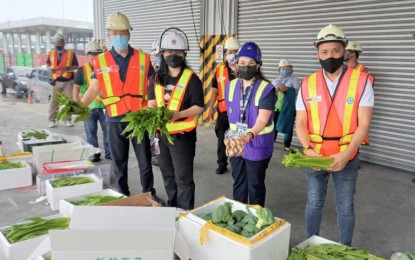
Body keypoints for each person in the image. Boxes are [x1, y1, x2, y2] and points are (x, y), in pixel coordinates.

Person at [296, 24, 374, 246]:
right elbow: (300, 122)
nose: (330, 56)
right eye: (324, 52)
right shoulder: (307, 83)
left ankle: (345, 249)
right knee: (314, 202)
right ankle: (310, 244)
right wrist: (308, 150)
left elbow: (364, 123)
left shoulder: (361, 82)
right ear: (317, 54)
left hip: (346, 156)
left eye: (336, 51)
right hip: (315, 156)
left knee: (345, 206)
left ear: (345, 52)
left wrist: (347, 154)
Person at [81, 12, 158, 200]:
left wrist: (152, 108)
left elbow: (153, 86)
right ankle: (123, 194)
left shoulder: (143, 58)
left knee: (145, 161)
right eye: (115, 33)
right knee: (119, 162)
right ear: (109, 35)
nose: (119, 37)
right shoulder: (100, 61)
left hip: (139, 117)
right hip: (114, 118)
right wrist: (79, 106)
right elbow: (93, 88)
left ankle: (149, 194)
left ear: (129, 35)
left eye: (123, 33)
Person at [148, 28, 204, 210]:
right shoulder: (156, 78)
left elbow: (198, 106)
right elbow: (151, 102)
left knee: (183, 178)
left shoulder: (192, 79)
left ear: (184, 54)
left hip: (182, 137)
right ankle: (173, 210)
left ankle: (186, 213)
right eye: (169, 52)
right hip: (161, 136)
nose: (173, 55)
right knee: (168, 175)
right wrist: (151, 114)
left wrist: (178, 115)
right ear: (163, 53)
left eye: (177, 52)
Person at [225, 42, 276, 207]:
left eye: (251, 64)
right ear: (237, 64)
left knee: (255, 184)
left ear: (258, 65)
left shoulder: (266, 89)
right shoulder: (230, 86)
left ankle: (256, 218)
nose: (246, 67)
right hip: (236, 141)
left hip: (257, 142)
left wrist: (250, 134)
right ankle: (239, 213)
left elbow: (262, 119)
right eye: (242, 63)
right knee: (238, 180)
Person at [73, 40, 111, 162]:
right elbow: (76, 87)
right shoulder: (81, 70)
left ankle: (109, 153)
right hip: (89, 108)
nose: (95, 57)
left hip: (104, 106)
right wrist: (76, 104)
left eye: (98, 54)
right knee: (91, 133)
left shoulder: (106, 68)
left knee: (108, 131)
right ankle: (95, 153)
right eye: (93, 54)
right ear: (88, 56)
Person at [209, 36, 240, 175]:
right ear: (226, 54)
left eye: (235, 52)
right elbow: (215, 90)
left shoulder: (244, 70)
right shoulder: (219, 70)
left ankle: (238, 163)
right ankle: (222, 163)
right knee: (222, 139)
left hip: (239, 113)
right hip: (223, 112)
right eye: (229, 52)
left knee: (238, 138)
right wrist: (210, 107)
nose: (232, 55)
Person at [46, 33, 79, 128]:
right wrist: (49, 68)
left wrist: (68, 69)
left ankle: (68, 119)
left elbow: (76, 66)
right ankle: (52, 120)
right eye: (56, 42)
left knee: (69, 101)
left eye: (60, 42)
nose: (58, 44)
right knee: (54, 102)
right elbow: (48, 64)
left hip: (68, 81)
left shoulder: (71, 54)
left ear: (64, 43)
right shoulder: (51, 53)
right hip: (56, 81)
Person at [271, 59, 300, 151]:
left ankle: (287, 146)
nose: (286, 70)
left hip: (289, 108)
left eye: (288, 68)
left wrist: (287, 89)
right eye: (284, 68)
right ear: (280, 69)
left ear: (291, 69)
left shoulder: (294, 80)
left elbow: (297, 92)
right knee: (273, 126)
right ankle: (271, 143)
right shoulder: (275, 81)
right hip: (277, 108)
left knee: (288, 126)